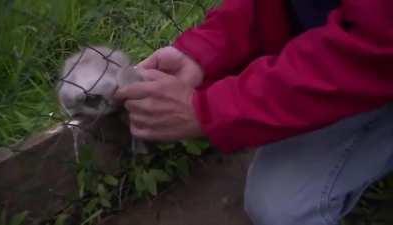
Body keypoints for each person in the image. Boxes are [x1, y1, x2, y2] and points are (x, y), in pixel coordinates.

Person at [114, 0, 393, 224]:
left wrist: (211, 110)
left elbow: (376, 41)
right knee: (278, 201)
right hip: (355, 53)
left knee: (284, 209)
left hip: (373, 59)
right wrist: (205, 50)